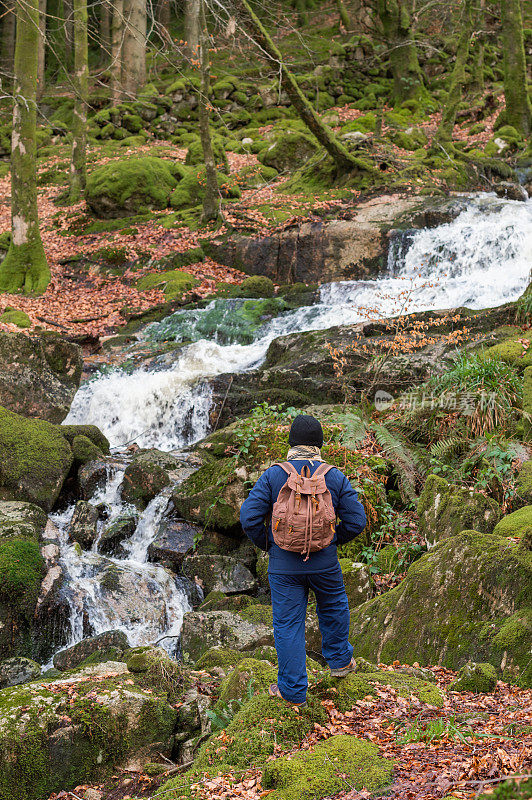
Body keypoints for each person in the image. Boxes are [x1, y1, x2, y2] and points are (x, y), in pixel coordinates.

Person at [240, 413, 367, 707]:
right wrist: (332, 541)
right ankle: (339, 663)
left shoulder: (273, 475)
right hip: (325, 562)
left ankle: (293, 691)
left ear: (291, 443)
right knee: (334, 606)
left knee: (288, 624)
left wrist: (271, 544)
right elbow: (357, 520)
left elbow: (248, 518)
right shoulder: (333, 476)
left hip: (284, 566)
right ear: (319, 444)